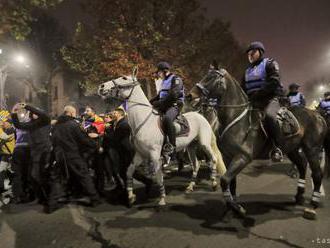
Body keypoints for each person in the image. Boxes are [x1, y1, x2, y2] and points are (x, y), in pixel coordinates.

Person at [48, 105, 100, 213]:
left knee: (59, 179)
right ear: (71, 113)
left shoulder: (56, 126)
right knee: (84, 176)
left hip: (60, 157)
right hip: (73, 156)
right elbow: (83, 139)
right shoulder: (73, 125)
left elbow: (53, 142)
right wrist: (96, 146)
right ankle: (94, 199)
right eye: (74, 113)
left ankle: (52, 204)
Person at [242, 41, 284, 160]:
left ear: (260, 52)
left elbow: (274, 81)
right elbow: (243, 87)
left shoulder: (270, 63)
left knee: (270, 117)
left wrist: (258, 94)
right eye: (248, 53)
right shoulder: (247, 71)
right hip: (254, 101)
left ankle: (277, 148)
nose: (250, 55)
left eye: (253, 52)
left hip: (271, 99)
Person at [11, 103, 51, 204]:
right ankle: (41, 197)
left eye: (34, 112)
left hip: (44, 151)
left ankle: (47, 196)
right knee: (33, 175)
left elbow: (42, 114)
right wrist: (14, 113)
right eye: (31, 113)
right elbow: (18, 125)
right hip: (35, 152)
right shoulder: (31, 125)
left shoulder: (45, 121)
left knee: (40, 175)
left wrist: (26, 106)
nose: (33, 114)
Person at [150, 61, 185, 156]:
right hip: (164, 105)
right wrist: (149, 102)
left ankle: (172, 146)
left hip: (175, 105)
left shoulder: (176, 79)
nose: (158, 74)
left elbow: (173, 95)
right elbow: (159, 95)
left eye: (159, 72)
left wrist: (160, 103)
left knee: (167, 118)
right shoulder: (164, 81)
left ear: (164, 71)